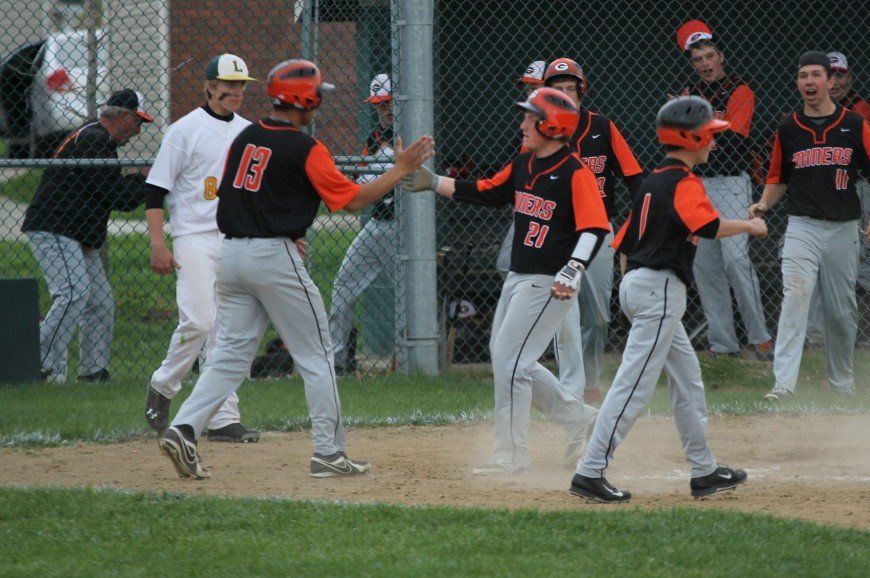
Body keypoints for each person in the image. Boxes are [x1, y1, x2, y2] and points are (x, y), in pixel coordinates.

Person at [157, 59, 434, 479]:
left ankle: (184, 428)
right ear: (302, 99)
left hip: (230, 256)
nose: (320, 100)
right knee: (317, 354)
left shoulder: (245, 135)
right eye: (317, 94)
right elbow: (354, 201)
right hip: (273, 258)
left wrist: (275, 223)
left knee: (230, 354)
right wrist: (399, 171)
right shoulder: (306, 148)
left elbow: (237, 197)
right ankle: (329, 452)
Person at [570, 95, 764, 504]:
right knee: (635, 384)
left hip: (643, 285)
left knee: (688, 381)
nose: (713, 141)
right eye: (709, 135)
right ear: (690, 138)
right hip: (658, 289)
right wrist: (748, 225)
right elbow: (708, 226)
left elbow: (622, 243)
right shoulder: (683, 183)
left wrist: (633, 293)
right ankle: (590, 470)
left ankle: (704, 469)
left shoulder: (653, 181)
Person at [402, 87, 606, 475]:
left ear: (552, 125)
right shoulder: (524, 163)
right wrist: (434, 183)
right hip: (518, 276)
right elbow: (488, 191)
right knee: (509, 359)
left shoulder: (574, 171)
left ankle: (510, 455)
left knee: (512, 361)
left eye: (531, 118)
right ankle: (579, 418)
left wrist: (573, 268)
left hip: (550, 281)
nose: (523, 124)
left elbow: (595, 227)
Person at [754, 52, 870, 401]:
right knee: (795, 297)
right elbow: (777, 178)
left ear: (830, 81)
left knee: (841, 311)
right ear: (798, 84)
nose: (809, 82)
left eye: (816, 75)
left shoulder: (854, 124)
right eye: (803, 76)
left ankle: (842, 383)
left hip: (843, 229)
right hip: (802, 226)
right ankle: (783, 384)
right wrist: (763, 204)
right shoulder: (788, 129)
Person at [143, 54, 259, 443]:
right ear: (208, 86)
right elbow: (155, 190)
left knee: (226, 332)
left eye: (241, 85)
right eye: (227, 84)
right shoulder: (184, 130)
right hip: (193, 236)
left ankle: (223, 416)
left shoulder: (248, 132)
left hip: (235, 238)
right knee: (199, 321)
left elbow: (255, 192)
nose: (235, 91)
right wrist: (158, 243)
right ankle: (163, 383)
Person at [21, 89, 153, 383]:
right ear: (122, 117)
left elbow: (108, 193)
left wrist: (140, 181)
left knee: (100, 301)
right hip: (55, 227)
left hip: (76, 234)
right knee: (73, 292)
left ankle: (93, 372)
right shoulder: (95, 140)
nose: (138, 130)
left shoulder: (97, 139)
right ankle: (37, 363)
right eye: (137, 122)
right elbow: (117, 196)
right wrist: (145, 179)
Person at [543, 57, 644, 405]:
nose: (566, 95)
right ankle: (574, 392)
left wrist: (634, 228)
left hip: (599, 230)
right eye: (558, 90)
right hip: (559, 234)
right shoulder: (539, 131)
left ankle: (591, 381)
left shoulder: (602, 127)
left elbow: (635, 178)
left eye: (571, 88)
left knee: (598, 316)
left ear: (581, 91)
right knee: (564, 316)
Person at [674, 20, 772, 361]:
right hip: (698, 184)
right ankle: (723, 343)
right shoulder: (691, 92)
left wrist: (695, 132)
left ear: (721, 56)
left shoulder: (739, 90)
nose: (705, 63)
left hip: (731, 183)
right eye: (698, 59)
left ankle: (761, 339)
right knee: (705, 264)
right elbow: (680, 141)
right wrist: (704, 137)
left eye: (710, 56)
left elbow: (734, 141)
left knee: (735, 261)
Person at [805, 52, 870, 346]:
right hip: (825, 192)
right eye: (830, 75)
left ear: (850, 78)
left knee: (860, 258)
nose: (835, 82)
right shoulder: (814, 109)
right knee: (825, 260)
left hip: (856, 188)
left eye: (840, 75)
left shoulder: (858, 107)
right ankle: (817, 336)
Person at [329, 73, 398, 374]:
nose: (386, 109)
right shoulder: (374, 137)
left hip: (403, 229)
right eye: (380, 104)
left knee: (409, 293)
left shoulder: (407, 132)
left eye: (390, 103)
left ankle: (410, 359)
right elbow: (358, 180)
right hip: (376, 225)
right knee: (343, 284)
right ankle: (335, 362)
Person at [496, 61, 546, 277]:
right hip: (527, 208)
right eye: (528, 88)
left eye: (535, 87)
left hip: (549, 210)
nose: (529, 93)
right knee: (506, 266)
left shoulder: (565, 126)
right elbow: (505, 165)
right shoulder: (526, 128)